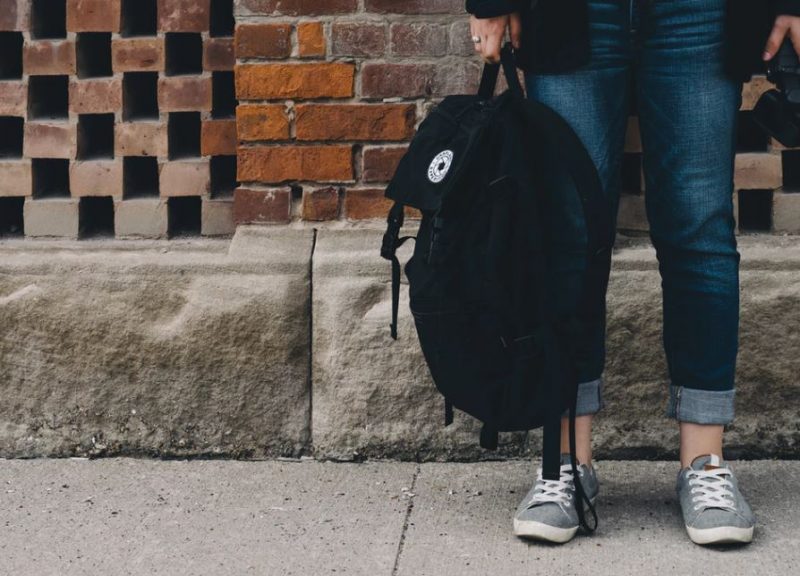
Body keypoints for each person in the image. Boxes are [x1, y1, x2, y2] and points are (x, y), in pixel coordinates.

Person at [466, 0, 800, 546]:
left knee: (700, 228)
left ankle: (706, 463)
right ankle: (566, 463)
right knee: (567, 233)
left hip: (700, 11)